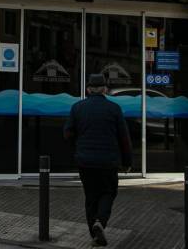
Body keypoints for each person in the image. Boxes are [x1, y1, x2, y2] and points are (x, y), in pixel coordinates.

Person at [63, 73, 132, 247]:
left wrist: (77, 149)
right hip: (108, 162)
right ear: (105, 90)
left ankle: (94, 232)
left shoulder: (77, 108)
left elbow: (68, 133)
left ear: (88, 89)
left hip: (85, 162)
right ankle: (100, 222)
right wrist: (127, 162)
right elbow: (124, 138)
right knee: (108, 192)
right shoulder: (114, 109)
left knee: (91, 196)